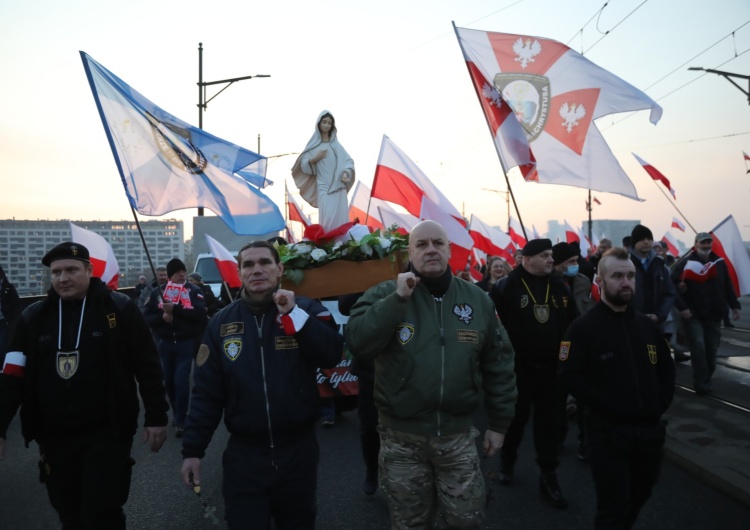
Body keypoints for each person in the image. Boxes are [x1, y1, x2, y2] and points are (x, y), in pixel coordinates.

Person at [346, 220, 517, 529]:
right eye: (421, 245)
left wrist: (499, 423)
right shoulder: (386, 293)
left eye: (438, 243)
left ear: (450, 250)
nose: (431, 250)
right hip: (401, 440)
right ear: (409, 252)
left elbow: (499, 363)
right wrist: (397, 300)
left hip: (457, 438)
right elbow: (358, 342)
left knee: (466, 521)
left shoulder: (477, 300)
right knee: (410, 523)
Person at [0, 242, 168, 529]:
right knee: (68, 512)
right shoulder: (34, 317)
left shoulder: (118, 308)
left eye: (71, 270)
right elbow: (12, 376)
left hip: (107, 433)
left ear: (89, 271)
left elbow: (148, 365)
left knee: (101, 512)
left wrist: (156, 417)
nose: (63, 278)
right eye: (56, 272)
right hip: (54, 438)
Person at [181, 240, 343, 529]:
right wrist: (193, 450)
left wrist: (294, 314)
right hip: (245, 455)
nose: (257, 270)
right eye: (249, 265)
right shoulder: (220, 324)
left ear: (279, 269)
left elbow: (331, 354)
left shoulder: (305, 309)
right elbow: (206, 394)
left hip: (298, 450)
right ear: (239, 273)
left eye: (265, 263)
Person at [559, 247, 675, 529]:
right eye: (617, 276)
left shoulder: (647, 326)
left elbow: (665, 370)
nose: (626, 282)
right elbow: (568, 374)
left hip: (648, 432)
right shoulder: (582, 328)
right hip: (608, 434)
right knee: (613, 507)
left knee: (640, 494)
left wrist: (658, 403)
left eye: (631, 276)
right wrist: (603, 403)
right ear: (600, 281)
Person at [490, 238, 578, 509]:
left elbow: (572, 328)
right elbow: (492, 329)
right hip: (517, 371)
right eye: (545, 255)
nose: (551, 260)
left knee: (549, 426)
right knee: (515, 421)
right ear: (526, 259)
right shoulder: (507, 287)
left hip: (551, 372)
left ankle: (548, 477)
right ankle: (507, 461)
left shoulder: (560, 287)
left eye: (551, 255)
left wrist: (566, 363)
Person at [671, 232, 741, 395]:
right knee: (699, 346)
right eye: (703, 243)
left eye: (708, 243)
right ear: (695, 245)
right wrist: (682, 307)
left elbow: (727, 286)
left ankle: (706, 378)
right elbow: (673, 285)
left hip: (714, 314)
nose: (706, 246)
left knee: (711, 351)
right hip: (693, 314)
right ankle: (701, 383)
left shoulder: (719, 262)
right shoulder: (687, 263)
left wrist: (735, 306)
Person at [143, 258, 206, 437]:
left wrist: (176, 310)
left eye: (183, 271)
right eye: (177, 272)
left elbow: (200, 315)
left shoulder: (194, 291)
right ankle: (176, 412)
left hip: (185, 343)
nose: (181, 275)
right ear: (170, 275)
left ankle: (181, 419)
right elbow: (147, 317)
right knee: (168, 381)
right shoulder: (158, 293)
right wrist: (162, 319)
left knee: (181, 380)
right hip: (165, 343)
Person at [292, 110, 355, 232]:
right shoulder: (314, 145)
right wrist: (314, 159)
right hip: (323, 186)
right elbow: (303, 164)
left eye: (329, 123)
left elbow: (348, 162)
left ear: (332, 126)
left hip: (338, 186)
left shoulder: (336, 146)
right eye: (324, 122)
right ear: (319, 124)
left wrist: (346, 173)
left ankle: (342, 243)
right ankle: (328, 243)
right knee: (328, 216)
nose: (326, 125)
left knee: (341, 217)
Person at [0, 264, 20, 353]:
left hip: (4, 322)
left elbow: (16, 304)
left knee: (3, 345)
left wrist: (11, 319)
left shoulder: (8, 287)